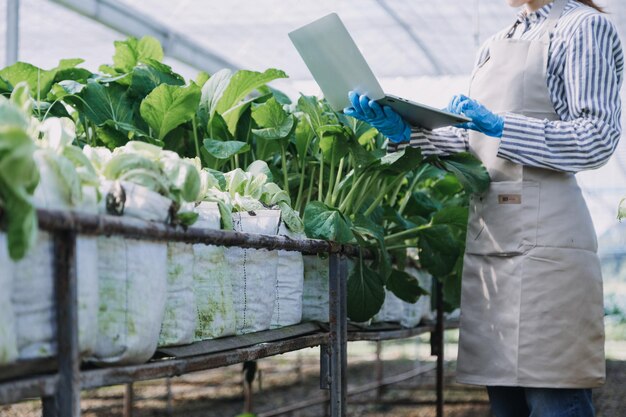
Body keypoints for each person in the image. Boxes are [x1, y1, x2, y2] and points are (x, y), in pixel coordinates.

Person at [344, 0, 623, 416]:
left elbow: (596, 137)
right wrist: (406, 133)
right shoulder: (495, 44)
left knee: (553, 398)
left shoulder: (582, 27)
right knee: (505, 404)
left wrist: (504, 126)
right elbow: (473, 147)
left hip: (549, 249)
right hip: (493, 244)